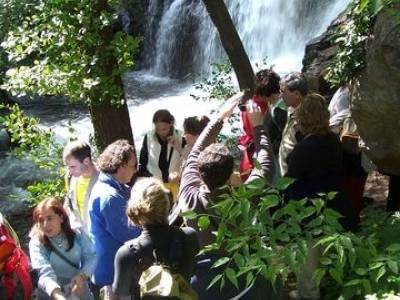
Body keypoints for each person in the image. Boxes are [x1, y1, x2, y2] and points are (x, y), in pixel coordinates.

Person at [169, 93, 277, 300]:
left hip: (201, 277)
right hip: (240, 273)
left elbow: (196, 150)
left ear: (200, 172)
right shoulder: (243, 198)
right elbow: (265, 161)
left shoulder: (189, 193)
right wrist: (258, 126)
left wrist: (221, 117)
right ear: (231, 175)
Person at [284, 94, 356, 300]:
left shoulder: (304, 148)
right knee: (325, 251)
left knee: (308, 260)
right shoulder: (332, 139)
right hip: (334, 203)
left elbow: (290, 180)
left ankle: (308, 294)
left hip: (309, 209)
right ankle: (326, 285)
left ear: (303, 118)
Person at [113, 177, 199, 299]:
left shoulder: (126, 254)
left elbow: (122, 292)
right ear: (167, 203)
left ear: (135, 209)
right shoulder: (189, 237)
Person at [88, 139, 141, 300]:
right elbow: (126, 234)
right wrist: (150, 228)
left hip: (112, 264)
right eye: (132, 166)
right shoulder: (110, 197)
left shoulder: (112, 186)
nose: (135, 170)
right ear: (121, 165)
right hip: (113, 267)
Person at [29, 197, 96, 300]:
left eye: (50, 218)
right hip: (51, 294)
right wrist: (59, 296)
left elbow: (91, 256)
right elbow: (45, 273)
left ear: (61, 218)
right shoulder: (37, 243)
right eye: (41, 220)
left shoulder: (77, 234)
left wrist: (82, 276)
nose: (45, 224)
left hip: (79, 289)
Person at [238, 69, 273, 180]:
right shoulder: (261, 107)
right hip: (259, 145)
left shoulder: (249, 104)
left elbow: (245, 127)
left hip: (250, 147)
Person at [138, 109, 185, 185]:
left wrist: (178, 147)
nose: (160, 133)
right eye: (157, 129)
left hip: (175, 182)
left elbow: (188, 159)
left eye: (164, 129)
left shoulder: (181, 136)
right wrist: (140, 178)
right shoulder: (148, 136)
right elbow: (143, 161)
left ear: (171, 123)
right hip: (155, 183)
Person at [63, 140, 99, 232]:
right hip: (79, 234)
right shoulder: (72, 177)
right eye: (67, 166)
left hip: (96, 235)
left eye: (72, 166)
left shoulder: (102, 180)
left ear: (86, 161)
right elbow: (68, 202)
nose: (69, 171)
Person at [278, 72, 308, 176]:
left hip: (297, 181)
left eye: (283, 92)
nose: (280, 95)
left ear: (297, 94)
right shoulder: (292, 110)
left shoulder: (307, 118)